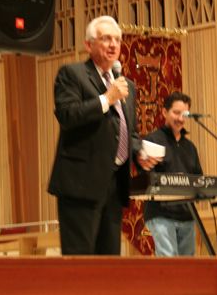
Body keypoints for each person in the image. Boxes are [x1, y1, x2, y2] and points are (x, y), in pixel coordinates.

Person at [48, 15, 154, 255]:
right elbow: (68, 115)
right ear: (89, 45)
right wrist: (106, 99)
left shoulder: (126, 85)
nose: (113, 44)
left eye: (117, 39)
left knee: (109, 263)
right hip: (81, 186)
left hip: (114, 186)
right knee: (81, 262)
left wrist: (139, 152)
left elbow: (129, 132)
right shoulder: (72, 74)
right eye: (106, 38)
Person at [142, 92, 203, 256]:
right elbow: (146, 178)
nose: (181, 118)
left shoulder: (190, 147)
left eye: (185, 114)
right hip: (161, 214)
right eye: (176, 113)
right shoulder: (152, 140)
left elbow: (198, 179)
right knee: (169, 261)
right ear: (164, 112)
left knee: (188, 266)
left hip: (187, 215)